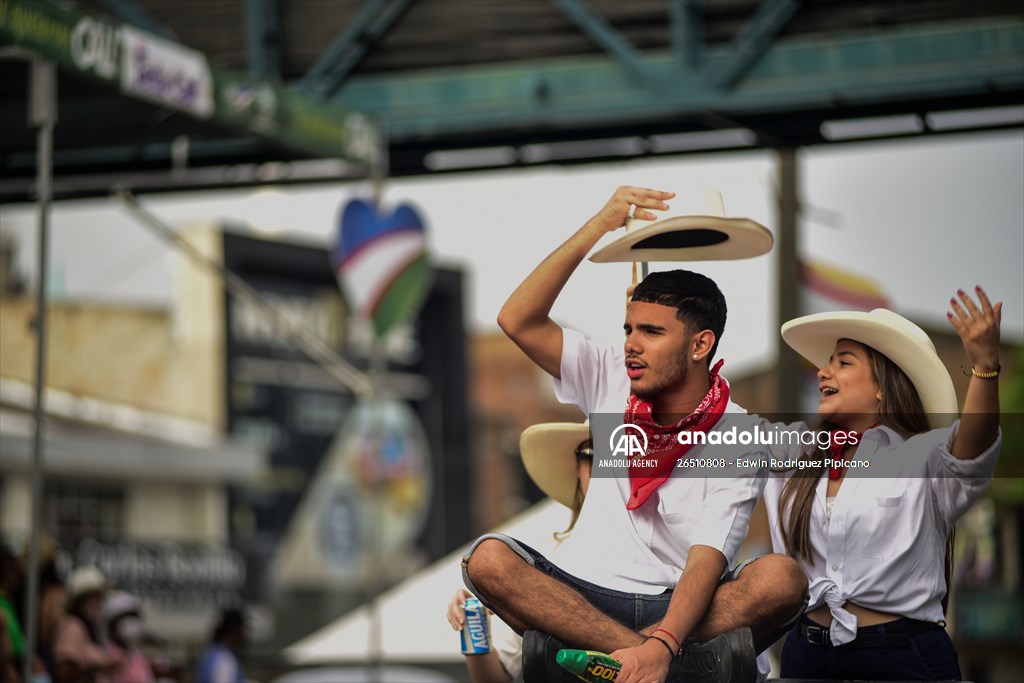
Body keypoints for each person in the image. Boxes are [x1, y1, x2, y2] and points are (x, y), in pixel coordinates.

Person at [464, 186, 808, 683]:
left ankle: (642, 657)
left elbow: (706, 559)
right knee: (489, 559)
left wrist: (666, 638)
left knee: (781, 578)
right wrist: (599, 224)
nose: (630, 344)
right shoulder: (609, 374)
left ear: (700, 345)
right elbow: (516, 319)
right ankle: (655, 663)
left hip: (683, 613)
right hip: (584, 598)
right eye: (628, 329)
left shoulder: (738, 434)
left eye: (651, 331)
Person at [762, 288, 1003, 679]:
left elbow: (975, 444)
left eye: (843, 362)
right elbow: (714, 441)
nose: (824, 371)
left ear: (881, 386)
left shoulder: (922, 455)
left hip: (902, 659)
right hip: (804, 655)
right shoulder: (795, 452)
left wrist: (985, 368)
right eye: (827, 362)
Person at [448, 422, 593, 682]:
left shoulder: (671, 545)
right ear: (576, 467)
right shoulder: (550, 559)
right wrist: (472, 627)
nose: (601, 469)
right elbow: (498, 677)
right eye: (590, 456)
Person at [53, 567, 122, 683]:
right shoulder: (73, 627)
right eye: (91, 597)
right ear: (78, 601)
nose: (96, 603)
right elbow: (63, 672)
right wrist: (101, 667)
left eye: (99, 597)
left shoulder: (89, 629)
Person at [101, 592, 154, 683]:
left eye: (132, 617)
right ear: (112, 625)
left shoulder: (136, 654)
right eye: (123, 619)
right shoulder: (107, 656)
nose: (130, 623)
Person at [195, 607, 247, 683]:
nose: (244, 635)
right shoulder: (225, 659)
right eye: (243, 629)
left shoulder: (211, 653)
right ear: (234, 630)